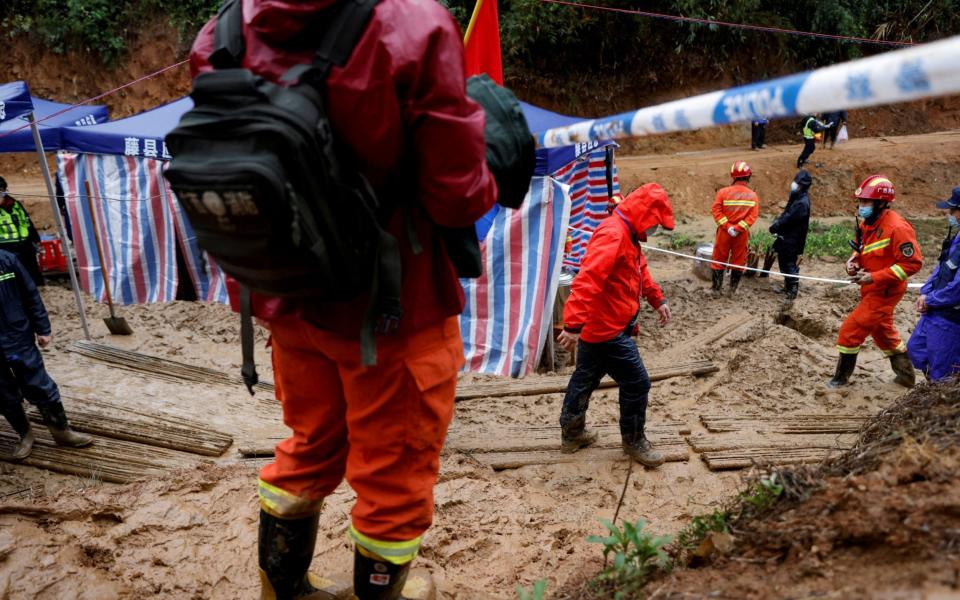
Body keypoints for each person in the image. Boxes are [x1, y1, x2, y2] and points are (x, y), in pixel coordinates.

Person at [189, 2, 499, 598]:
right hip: (390, 310)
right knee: (395, 477)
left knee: (308, 446)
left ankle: (282, 588)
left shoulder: (224, 31)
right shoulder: (413, 26)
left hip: (285, 298)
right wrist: (493, 154)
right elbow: (457, 197)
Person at [557, 183, 674, 468]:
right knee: (637, 382)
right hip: (606, 328)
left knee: (584, 378)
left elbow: (639, 271)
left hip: (607, 324)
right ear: (644, 214)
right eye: (655, 222)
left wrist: (656, 299)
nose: (655, 229)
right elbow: (588, 278)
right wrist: (572, 324)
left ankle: (572, 434)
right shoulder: (613, 233)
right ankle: (634, 441)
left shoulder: (628, 234)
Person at [828, 175, 922, 389]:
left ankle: (840, 379)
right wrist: (851, 262)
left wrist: (875, 276)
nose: (862, 207)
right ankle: (906, 376)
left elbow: (912, 264)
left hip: (885, 291)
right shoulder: (867, 224)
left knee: (850, 331)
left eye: (866, 202)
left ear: (881, 203)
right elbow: (862, 249)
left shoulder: (898, 228)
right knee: (883, 333)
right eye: (860, 202)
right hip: (870, 287)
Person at [0, 249, 93, 460]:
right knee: (3, 393)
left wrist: (43, 328)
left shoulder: (7, 260)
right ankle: (25, 434)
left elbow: (30, 294)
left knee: (39, 383)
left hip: (17, 337)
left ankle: (61, 432)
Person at [907, 186, 960, 381]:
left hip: (951, 317)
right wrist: (926, 292)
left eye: (953, 209)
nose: (949, 213)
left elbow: (958, 288)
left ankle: (942, 400)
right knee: (916, 350)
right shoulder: (957, 236)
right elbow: (942, 265)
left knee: (943, 370)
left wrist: (932, 300)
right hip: (936, 308)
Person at [710, 161, 759, 296]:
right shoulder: (752, 196)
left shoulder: (722, 192)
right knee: (738, 261)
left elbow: (716, 211)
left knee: (718, 260)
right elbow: (752, 216)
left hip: (724, 232)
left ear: (733, 176)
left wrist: (728, 226)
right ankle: (732, 290)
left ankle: (716, 289)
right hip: (741, 234)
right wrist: (738, 228)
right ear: (748, 176)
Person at [769, 170, 812, 300]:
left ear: (802, 185)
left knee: (789, 263)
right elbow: (787, 212)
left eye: (797, 183)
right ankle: (787, 287)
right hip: (787, 236)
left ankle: (792, 290)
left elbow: (789, 218)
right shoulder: (797, 196)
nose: (794, 184)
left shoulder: (802, 203)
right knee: (784, 262)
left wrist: (776, 226)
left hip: (792, 239)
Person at [0, 176, 43, 287]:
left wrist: (35, 239)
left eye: (2, 191)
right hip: (5, 248)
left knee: (33, 275)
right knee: (13, 280)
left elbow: (27, 222)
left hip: (24, 245)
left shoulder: (15, 204)